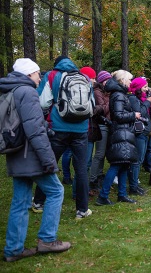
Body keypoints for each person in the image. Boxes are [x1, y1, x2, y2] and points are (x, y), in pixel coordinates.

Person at [1, 58, 71, 262]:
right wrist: (48, 159)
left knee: (20, 202)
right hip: (31, 154)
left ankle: (13, 250)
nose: (39, 77)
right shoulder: (27, 92)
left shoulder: (9, 90)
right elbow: (34, 130)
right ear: (28, 74)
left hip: (16, 153)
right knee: (56, 191)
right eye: (37, 73)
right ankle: (47, 239)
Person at [34, 56, 92, 219]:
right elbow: (91, 103)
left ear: (56, 64)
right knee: (81, 169)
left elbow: (43, 102)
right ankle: (82, 209)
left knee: (50, 164)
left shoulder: (52, 75)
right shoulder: (84, 77)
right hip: (81, 129)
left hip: (58, 128)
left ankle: (39, 202)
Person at [95, 70, 140, 205]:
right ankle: (103, 196)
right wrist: (134, 115)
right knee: (116, 165)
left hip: (124, 132)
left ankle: (122, 194)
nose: (131, 82)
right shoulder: (119, 95)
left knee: (124, 164)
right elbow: (118, 116)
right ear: (122, 80)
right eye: (129, 80)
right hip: (121, 133)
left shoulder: (119, 94)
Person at [127, 77, 151, 196]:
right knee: (137, 160)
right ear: (138, 87)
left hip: (144, 133)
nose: (146, 88)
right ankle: (133, 186)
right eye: (144, 86)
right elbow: (140, 113)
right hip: (139, 133)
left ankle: (135, 184)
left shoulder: (141, 98)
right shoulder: (133, 98)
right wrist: (148, 101)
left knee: (140, 159)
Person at [89, 70, 112, 193]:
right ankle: (93, 179)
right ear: (103, 81)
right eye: (107, 80)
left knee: (103, 154)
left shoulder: (107, 92)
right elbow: (102, 108)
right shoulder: (97, 92)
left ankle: (99, 175)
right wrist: (111, 100)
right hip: (102, 125)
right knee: (99, 154)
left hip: (108, 124)